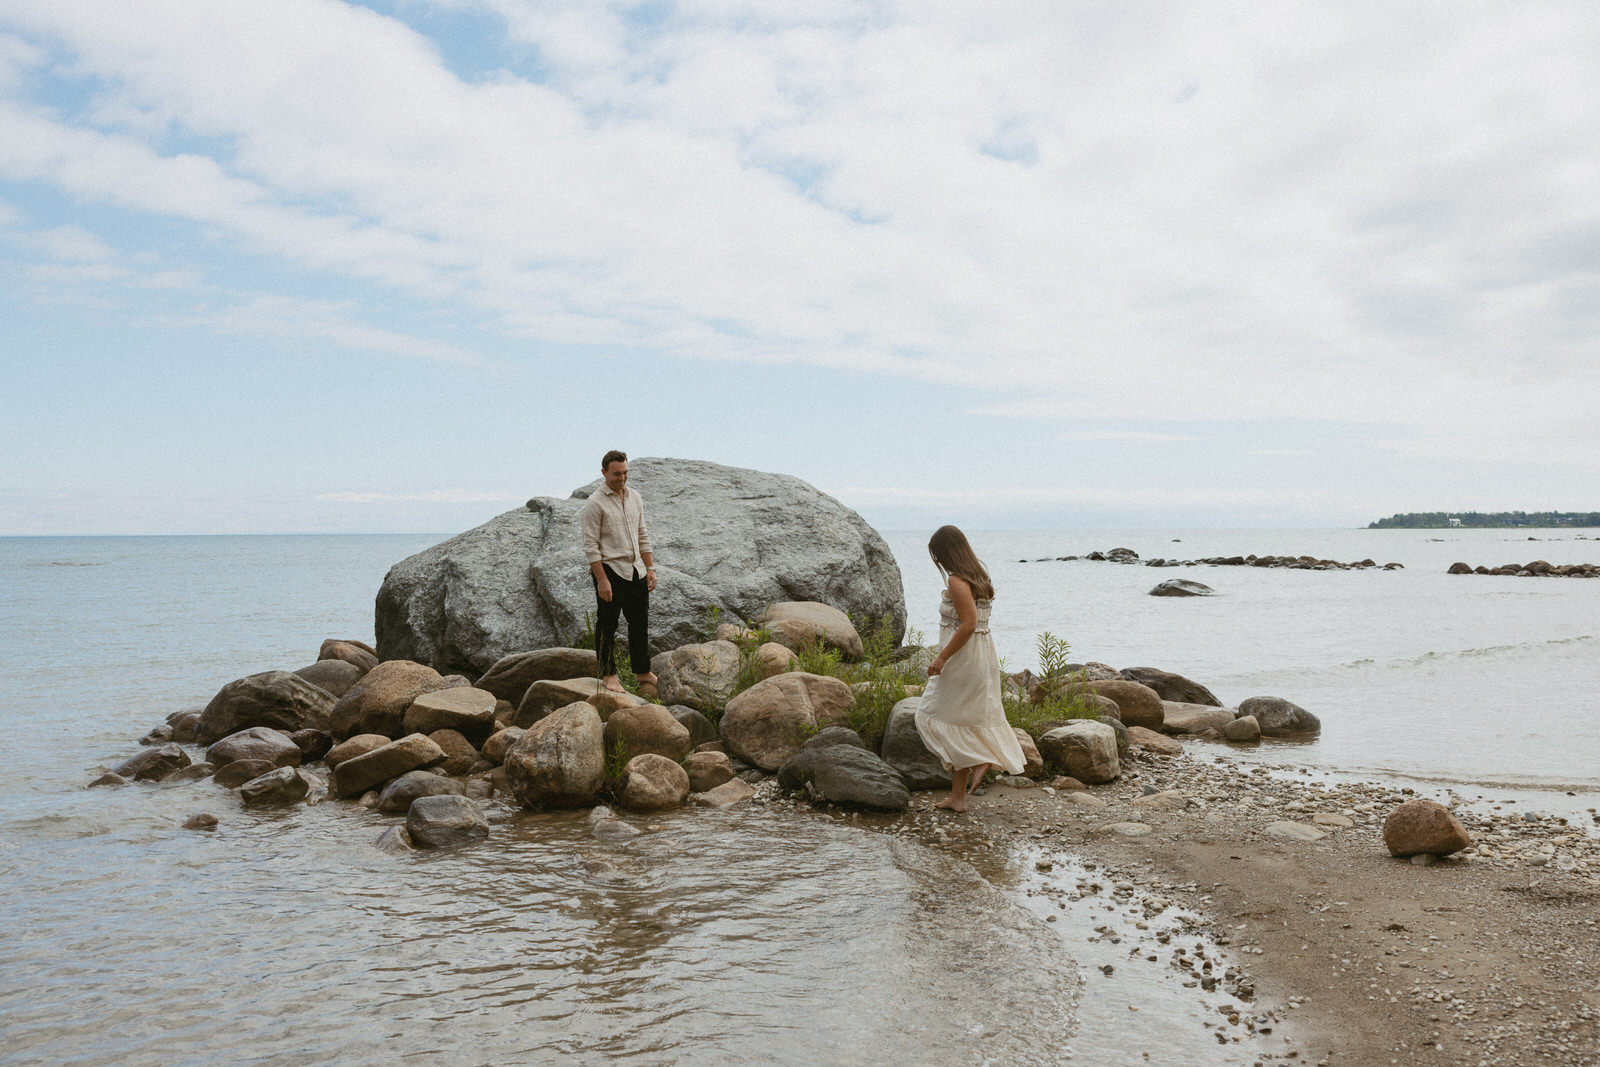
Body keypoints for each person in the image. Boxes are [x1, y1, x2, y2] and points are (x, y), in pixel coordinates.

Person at [913, 524, 1025, 812]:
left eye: (936, 555)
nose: (936, 561)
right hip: (981, 655)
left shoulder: (956, 580)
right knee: (960, 721)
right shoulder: (979, 574)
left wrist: (940, 659)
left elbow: (969, 624)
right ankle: (958, 798)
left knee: (928, 714)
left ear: (945, 553)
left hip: (963, 658)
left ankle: (978, 758)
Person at [579, 450, 659, 694]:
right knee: (607, 625)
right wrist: (602, 580)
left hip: (636, 570)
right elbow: (591, 546)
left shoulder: (635, 497)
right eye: (616, 474)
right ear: (604, 473)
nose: (622, 478)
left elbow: (642, 534)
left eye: (625, 473)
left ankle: (642, 670)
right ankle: (608, 674)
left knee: (639, 623)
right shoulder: (594, 503)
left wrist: (650, 568)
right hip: (610, 571)